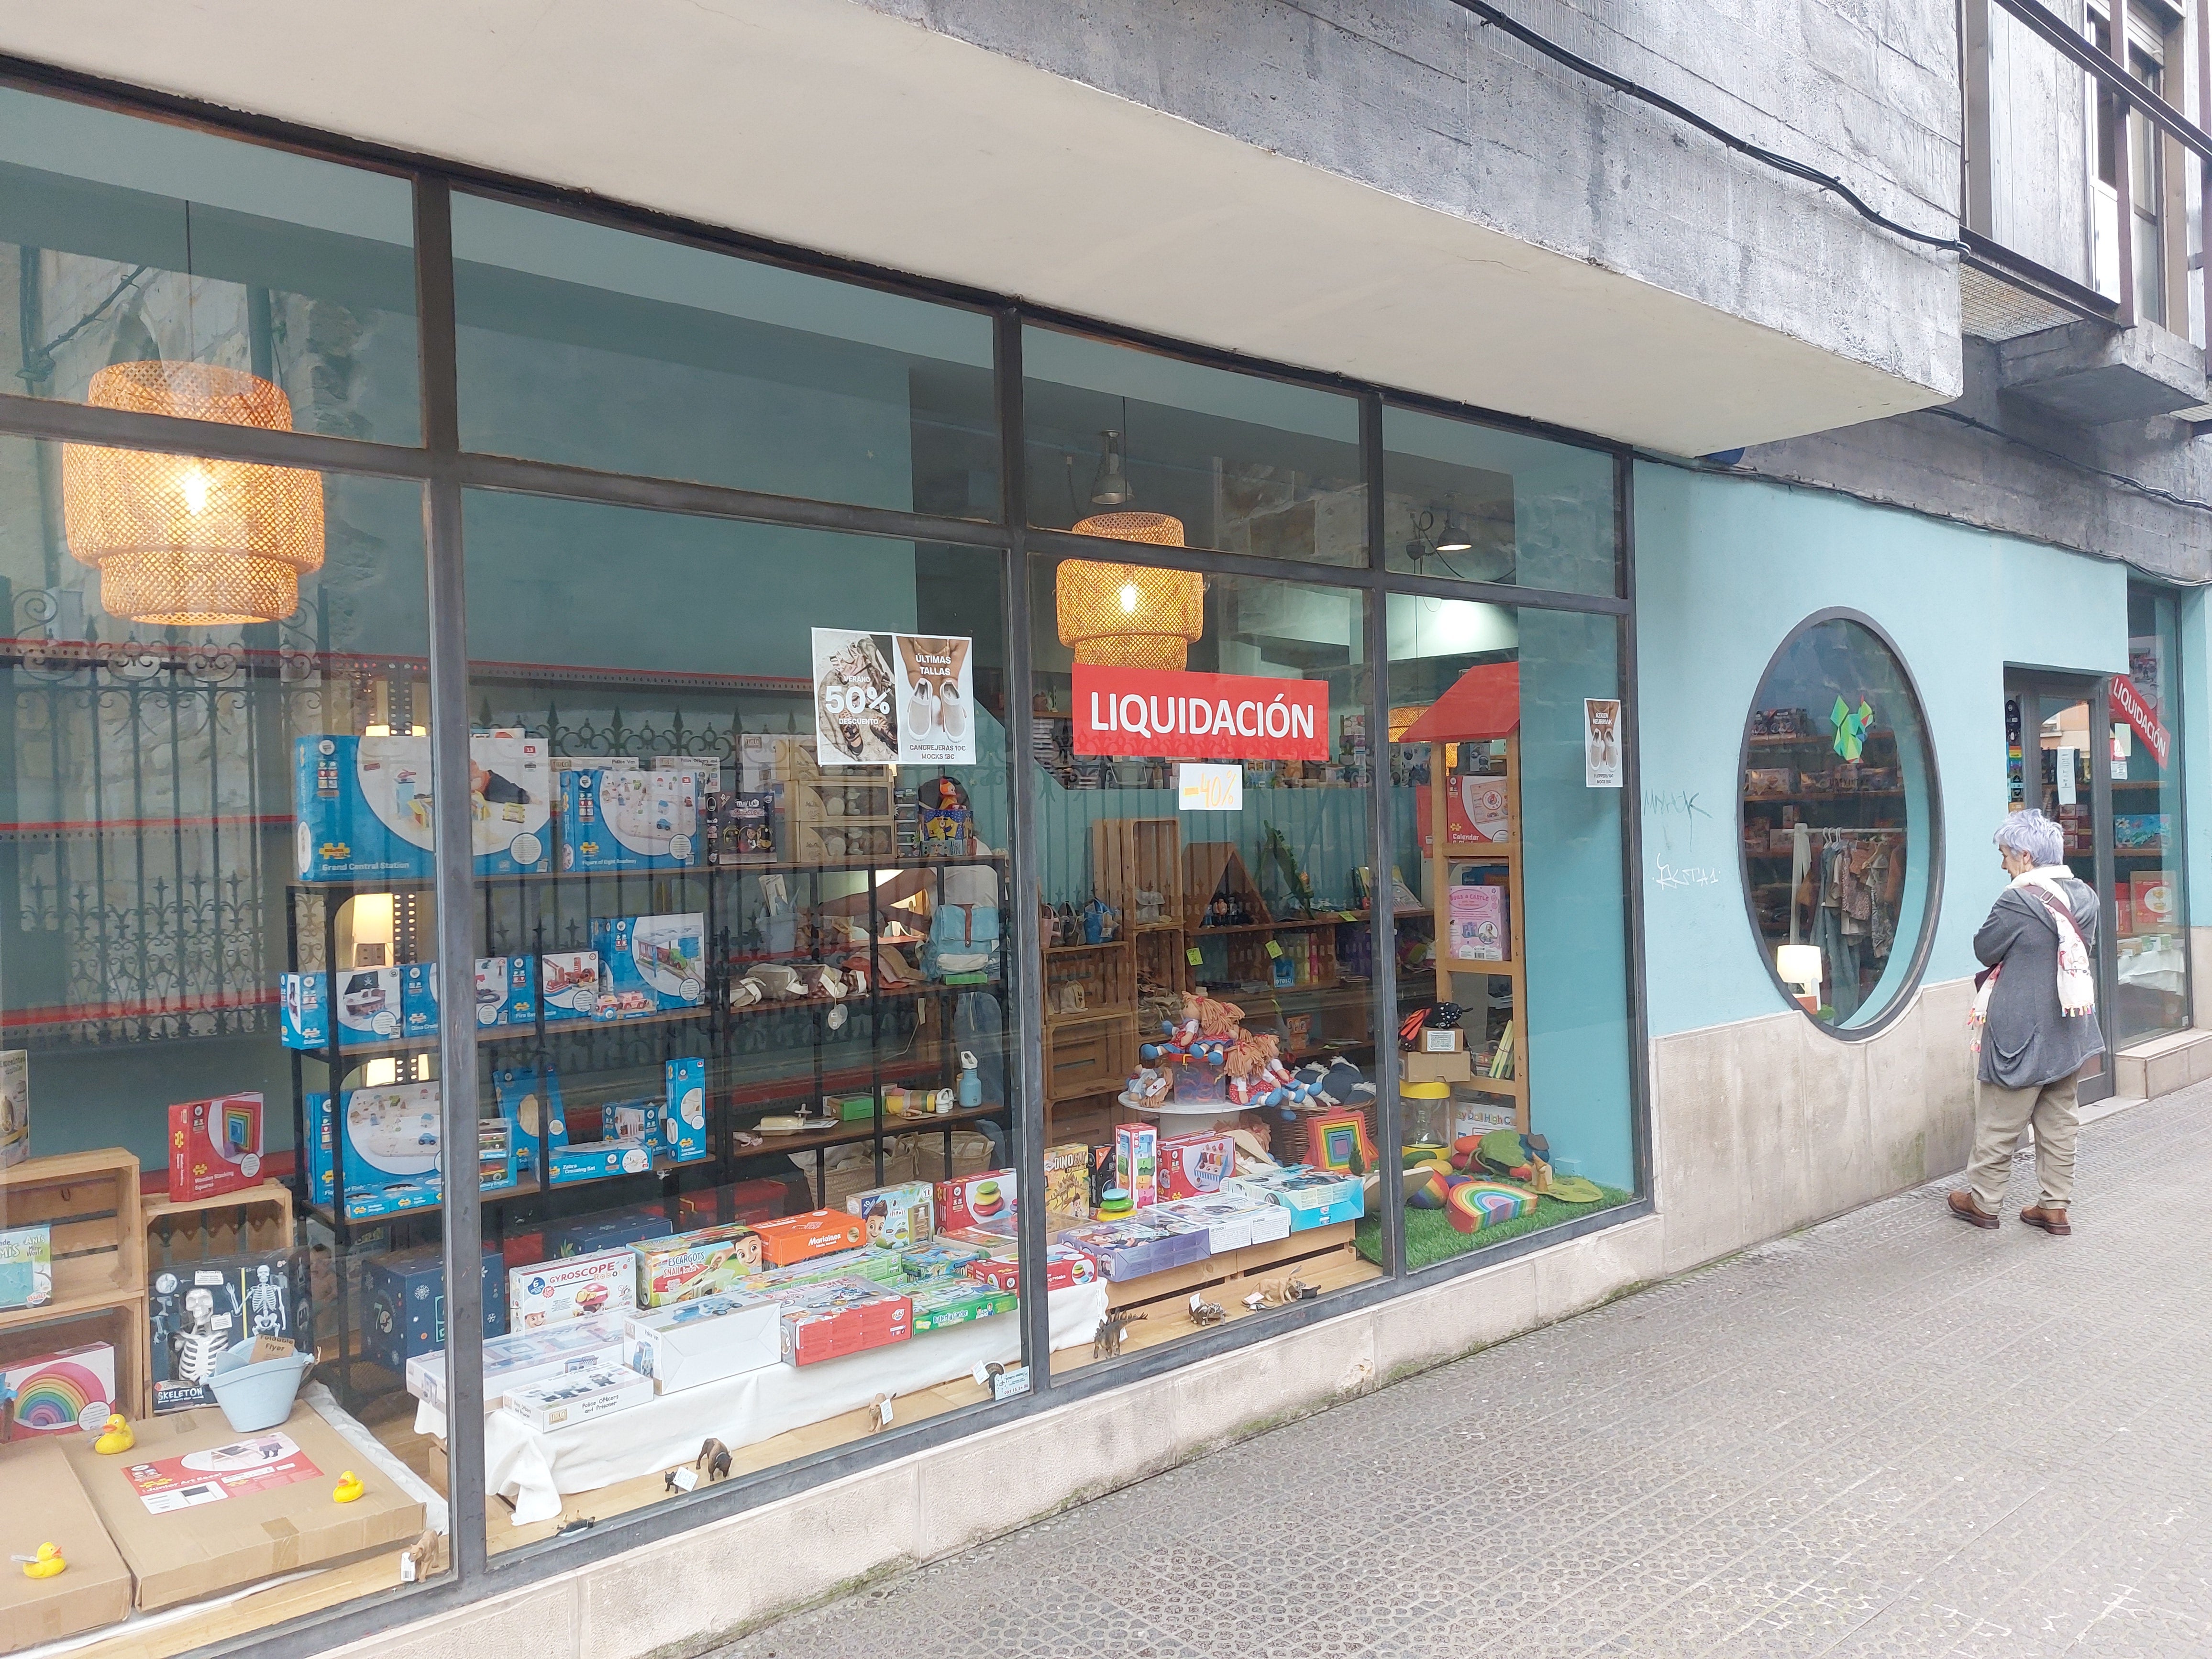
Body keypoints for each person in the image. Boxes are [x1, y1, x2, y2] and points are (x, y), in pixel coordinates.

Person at [1953, 810, 2101, 1236]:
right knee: (2059, 1120)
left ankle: (1983, 1202)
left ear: (2025, 856)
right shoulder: (2085, 896)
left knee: (2000, 1119)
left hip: (2020, 1027)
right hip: (2069, 1024)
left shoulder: (2017, 900)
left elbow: (1985, 948)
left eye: (2004, 855)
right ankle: (2055, 1206)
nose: (2003, 865)